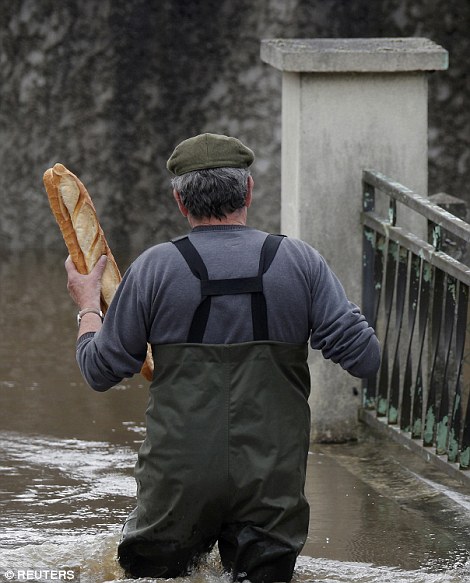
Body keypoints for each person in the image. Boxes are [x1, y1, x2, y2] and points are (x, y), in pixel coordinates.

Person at [65, 132, 380, 582]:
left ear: (180, 201)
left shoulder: (154, 268)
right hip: (272, 482)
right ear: (249, 190)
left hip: (176, 482)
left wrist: (88, 305)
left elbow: (99, 371)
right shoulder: (302, 262)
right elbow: (365, 359)